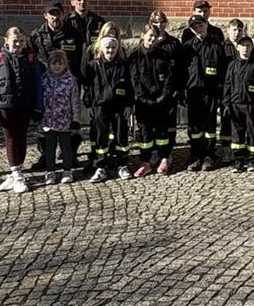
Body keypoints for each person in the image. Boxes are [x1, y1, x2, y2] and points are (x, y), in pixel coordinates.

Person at [0, 26, 42, 193]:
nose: (18, 44)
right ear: (6, 42)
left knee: (22, 137)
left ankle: (17, 170)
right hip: (5, 105)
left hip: (25, 104)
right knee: (10, 138)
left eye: (21, 41)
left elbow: (38, 84)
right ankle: (16, 173)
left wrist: (39, 106)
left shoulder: (31, 59)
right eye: (15, 41)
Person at [130, 15, 181, 177]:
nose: (152, 39)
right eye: (149, 36)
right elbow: (135, 80)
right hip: (143, 103)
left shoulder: (163, 55)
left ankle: (164, 158)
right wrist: (144, 99)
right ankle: (146, 161)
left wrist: (163, 97)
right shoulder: (135, 57)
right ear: (143, 36)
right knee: (145, 133)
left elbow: (169, 78)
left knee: (162, 133)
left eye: (154, 36)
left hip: (162, 101)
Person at [84, 26, 134, 181]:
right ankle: (100, 167)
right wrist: (89, 105)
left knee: (121, 137)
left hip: (120, 107)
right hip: (100, 107)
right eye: (107, 47)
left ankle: (122, 165)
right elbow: (88, 86)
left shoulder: (124, 65)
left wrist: (129, 105)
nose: (110, 51)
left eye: (113, 47)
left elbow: (130, 86)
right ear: (101, 48)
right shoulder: (93, 66)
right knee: (101, 137)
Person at [185, 14, 229, 171]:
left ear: (206, 25)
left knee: (210, 126)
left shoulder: (217, 46)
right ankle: (196, 155)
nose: (198, 29)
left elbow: (223, 72)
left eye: (200, 25)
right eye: (194, 27)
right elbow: (181, 71)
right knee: (195, 127)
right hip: (193, 92)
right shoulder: (187, 47)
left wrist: (220, 93)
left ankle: (209, 155)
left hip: (210, 93)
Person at [37, 48, 82, 184]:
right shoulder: (44, 80)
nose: (57, 67)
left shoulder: (70, 80)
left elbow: (75, 100)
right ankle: (50, 171)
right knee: (49, 148)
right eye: (54, 63)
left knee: (65, 147)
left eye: (60, 64)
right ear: (49, 64)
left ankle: (67, 170)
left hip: (64, 120)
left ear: (65, 65)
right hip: (48, 121)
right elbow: (39, 98)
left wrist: (75, 119)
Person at [222, 33, 254, 171]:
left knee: (253, 133)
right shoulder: (232, 65)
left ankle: (252, 160)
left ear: (252, 47)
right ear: (238, 47)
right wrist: (226, 103)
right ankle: (238, 160)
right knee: (237, 134)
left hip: (252, 105)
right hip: (235, 104)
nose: (245, 48)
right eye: (242, 46)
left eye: (248, 45)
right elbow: (227, 85)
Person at [61, 0, 103, 80]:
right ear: (72, 2)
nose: (82, 2)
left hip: (93, 67)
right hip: (71, 69)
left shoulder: (99, 22)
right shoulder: (65, 22)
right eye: (79, 0)